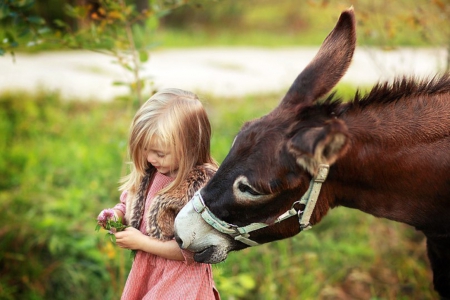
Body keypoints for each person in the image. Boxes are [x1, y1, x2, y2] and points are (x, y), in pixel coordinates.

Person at [97, 88, 220, 300]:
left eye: (160, 153)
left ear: (189, 146)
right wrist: (116, 215)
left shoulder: (200, 187)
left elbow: (191, 251)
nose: (151, 157)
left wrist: (141, 242)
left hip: (180, 279)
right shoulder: (150, 173)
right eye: (145, 149)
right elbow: (129, 205)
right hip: (147, 272)